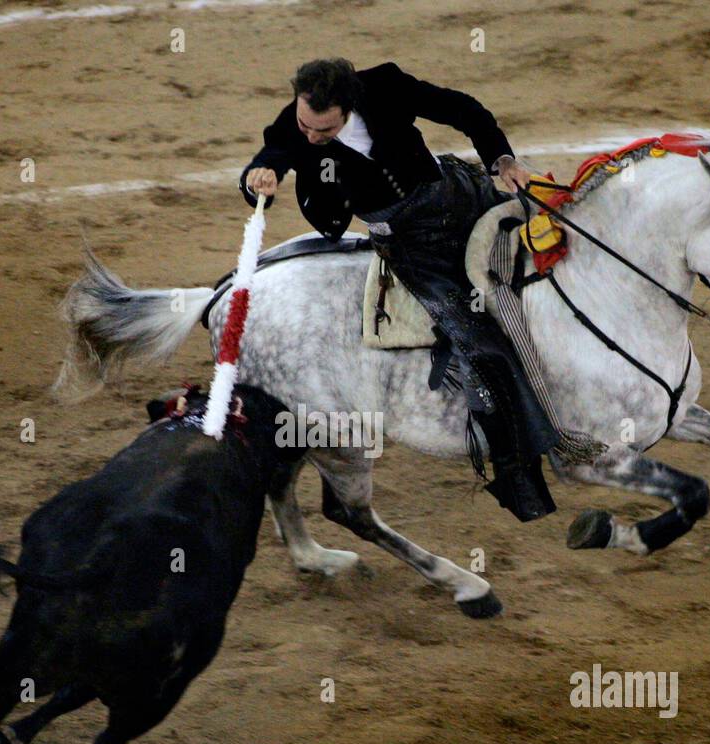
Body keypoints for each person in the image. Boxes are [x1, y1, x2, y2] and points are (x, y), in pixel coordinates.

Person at [239, 58, 559, 521]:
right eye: (305, 124)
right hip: (415, 249)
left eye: (322, 130)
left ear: (350, 106)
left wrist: (502, 159)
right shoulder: (296, 126)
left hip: (459, 196)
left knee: (556, 237)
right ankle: (517, 472)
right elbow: (269, 159)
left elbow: (463, 110)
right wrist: (257, 179)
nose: (309, 136)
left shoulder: (384, 87)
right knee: (481, 345)